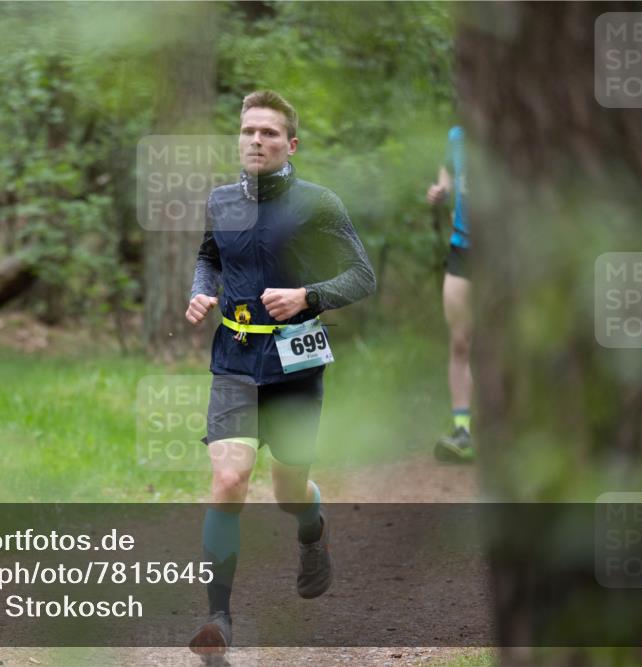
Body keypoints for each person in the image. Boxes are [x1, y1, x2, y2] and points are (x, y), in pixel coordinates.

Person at [184, 90, 376, 657]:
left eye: (269, 133)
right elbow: (209, 257)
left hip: (296, 364)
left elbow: (362, 275)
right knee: (227, 481)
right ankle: (218, 620)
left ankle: (311, 530)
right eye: (248, 132)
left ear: (290, 145)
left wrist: (309, 296)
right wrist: (200, 293)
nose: (256, 141)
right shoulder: (221, 201)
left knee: (288, 491)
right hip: (235, 359)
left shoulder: (318, 203)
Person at [426, 125, 474, 463]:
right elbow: (449, 169)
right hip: (463, 248)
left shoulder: (522, 120)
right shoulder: (457, 135)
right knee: (460, 341)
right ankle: (463, 430)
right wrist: (442, 189)